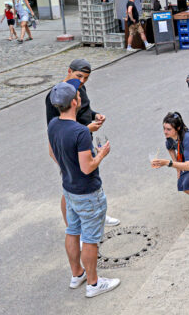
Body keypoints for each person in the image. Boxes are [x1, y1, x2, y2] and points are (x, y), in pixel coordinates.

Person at [46, 80, 120, 298]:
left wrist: (68, 164)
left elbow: (53, 153)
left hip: (69, 188)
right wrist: (102, 154)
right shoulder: (79, 132)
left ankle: (76, 274)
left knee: (72, 231)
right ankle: (94, 283)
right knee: (90, 238)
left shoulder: (53, 125)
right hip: (87, 192)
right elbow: (87, 167)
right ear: (75, 102)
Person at [46, 59, 120, 228]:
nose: (82, 81)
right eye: (79, 76)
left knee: (92, 182)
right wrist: (87, 129)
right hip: (70, 150)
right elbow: (56, 128)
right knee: (71, 190)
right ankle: (71, 227)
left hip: (84, 143)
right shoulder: (57, 95)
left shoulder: (80, 88)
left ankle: (98, 214)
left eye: (86, 78)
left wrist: (95, 115)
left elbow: (84, 110)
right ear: (69, 70)